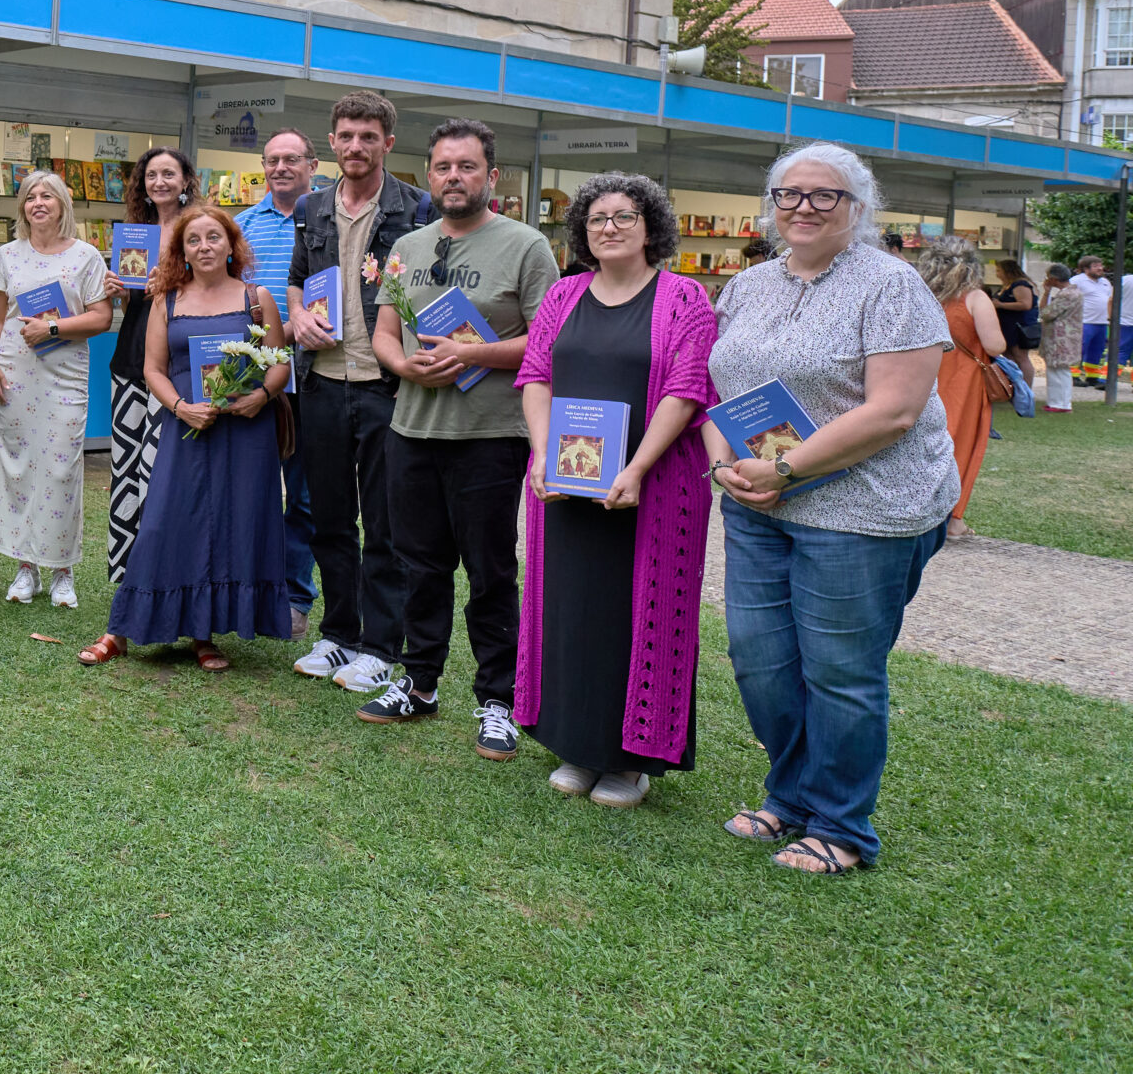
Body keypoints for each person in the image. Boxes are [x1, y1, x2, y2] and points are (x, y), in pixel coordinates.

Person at [704, 142, 957, 875]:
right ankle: (789, 795)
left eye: (826, 195)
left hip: (864, 508)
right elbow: (721, 383)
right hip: (760, 501)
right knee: (759, 659)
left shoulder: (891, 284)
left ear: (858, 208)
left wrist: (784, 467)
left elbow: (895, 411)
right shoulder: (749, 285)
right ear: (772, 204)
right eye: (791, 193)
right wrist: (727, 463)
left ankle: (842, 826)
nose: (805, 207)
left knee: (840, 670)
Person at [517, 173, 718, 811]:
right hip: (567, 483)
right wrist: (542, 451)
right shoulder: (564, 293)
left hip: (652, 489)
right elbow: (536, 375)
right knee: (572, 609)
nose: (609, 227)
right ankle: (578, 745)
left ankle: (630, 761)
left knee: (638, 612)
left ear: (651, 226)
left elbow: (687, 391)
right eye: (598, 217)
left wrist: (636, 468)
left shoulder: (684, 299)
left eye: (624, 216)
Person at [360, 120, 556, 758]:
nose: (453, 177)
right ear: (430, 172)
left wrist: (483, 356)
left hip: (490, 435)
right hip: (412, 428)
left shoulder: (526, 247)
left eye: (467, 167)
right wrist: (402, 364)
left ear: (491, 177)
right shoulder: (409, 248)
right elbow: (385, 331)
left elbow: (547, 341)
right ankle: (418, 683)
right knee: (419, 565)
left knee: (491, 570)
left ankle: (497, 699)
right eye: (443, 166)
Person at [81, 205, 295, 671]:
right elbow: (151, 369)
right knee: (165, 522)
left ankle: (204, 634)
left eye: (213, 237)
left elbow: (279, 362)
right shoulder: (167, 299)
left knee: (232, 525)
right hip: (185, 428)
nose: (204, 246)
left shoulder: (257, 298)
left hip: (246, 432)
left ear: (231, 244)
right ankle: (119, 630)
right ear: (182, 250)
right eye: (193, 240)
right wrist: (180, 407)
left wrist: (261, 395)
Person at [285, 91, 439, 691]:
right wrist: (297, 317)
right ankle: (338, 634)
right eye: (346, 135)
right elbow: (298, 281)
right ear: (332, 140)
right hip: (322, 382)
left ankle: (380, 644)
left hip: (386, 386)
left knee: (384, 523)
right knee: (328, 519)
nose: (355, 146)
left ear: (388, 143)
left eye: (368, 137)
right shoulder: (311, 207)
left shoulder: (417, 210)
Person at [0, 171, 112, 607]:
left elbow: (100, 318)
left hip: (64, 376)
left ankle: (62, 571)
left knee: (60, 468)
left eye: (48, 196)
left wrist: (53, 326)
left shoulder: (87, 257)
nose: (39, 203)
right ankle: (25, 569)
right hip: (15, 375)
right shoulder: (6, 257)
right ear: (22, 207)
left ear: (62, 205)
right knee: (17, 468)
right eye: (31, 197)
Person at [231, 129, 321, 625]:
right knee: (250, 492)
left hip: (312, 379)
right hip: (255, 381)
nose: (281, 167)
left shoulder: (328, 219)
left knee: (304, 498)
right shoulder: (240, 227)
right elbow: (230, 302)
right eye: (272, 160)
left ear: (312, 163)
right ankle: (248, 590)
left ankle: (295, 598)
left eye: (292, 159)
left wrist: (286, 331)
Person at [103, 147, 196, 581]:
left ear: (185, 181)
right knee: (124, 467)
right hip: (130, 358)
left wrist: (172, 281)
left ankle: (165, 569)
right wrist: (118, 289)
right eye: (151, 175)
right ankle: (126, 572)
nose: (159, 182)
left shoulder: (198, 229)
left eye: (168, 174)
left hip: (176, 362)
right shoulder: (134, 232)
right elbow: (130, 302)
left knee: (164, 469)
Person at [919, 238, 1006, 540]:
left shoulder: (920, 293)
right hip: (963, 382)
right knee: (960, 444)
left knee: (921, 445)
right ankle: (952, 518)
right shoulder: (974, 297)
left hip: (922, 377)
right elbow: (995, 344)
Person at [1067, 255, 1125, 383]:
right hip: (1084, 321)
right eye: (1096, 266)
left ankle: (1092, 376)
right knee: (1079, 348)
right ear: (1086, 269)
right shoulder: (1077, 281)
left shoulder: (1104, 282)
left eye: (1100, 265)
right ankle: (1073, 375)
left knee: (1097, 350)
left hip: (1102, 322)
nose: (1100, 268)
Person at [1040, 265, 1083, 412]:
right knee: (1057, 369)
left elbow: (1046, 313)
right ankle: (1057, 401)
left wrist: (1046, 294)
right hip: (1065, 335)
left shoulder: (1066, 295)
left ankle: (1061, 403)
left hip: (1060, 337)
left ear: (1054, 279)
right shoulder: (1074, 292)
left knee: (1058, 369)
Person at [990, 256, 1039, 384]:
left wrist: (1001, 305)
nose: (997, 274)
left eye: (999, 271)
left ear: (1008, 271)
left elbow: (1025, 304)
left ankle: (1026, 387)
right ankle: (1013, 385)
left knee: (1021, 356)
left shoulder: (1020, 284)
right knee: (1009, 356)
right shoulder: (1007, 285)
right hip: (1007, 326)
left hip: (1019, 327)